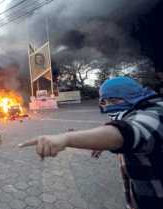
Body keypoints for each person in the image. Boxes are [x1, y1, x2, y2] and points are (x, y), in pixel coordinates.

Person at [19, 76, 163, 209]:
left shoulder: (155, 115)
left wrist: (66, 138)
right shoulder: (136, 111)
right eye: (103, 102)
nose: (105, 107)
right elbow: (118, 130)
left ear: (124, 97)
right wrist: (103, 143)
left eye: (109, 101)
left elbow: (127, 132)